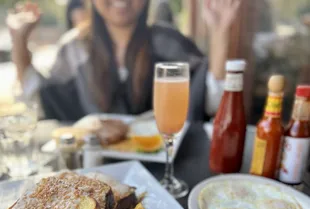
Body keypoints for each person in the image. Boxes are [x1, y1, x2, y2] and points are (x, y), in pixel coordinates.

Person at [7, 0, 241, 121]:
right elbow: (41, 99)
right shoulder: (74, 48)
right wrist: (19, 41)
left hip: (166, 172)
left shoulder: (168, 42)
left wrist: (220, 34)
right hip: (93, 173)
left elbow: (211, 100)